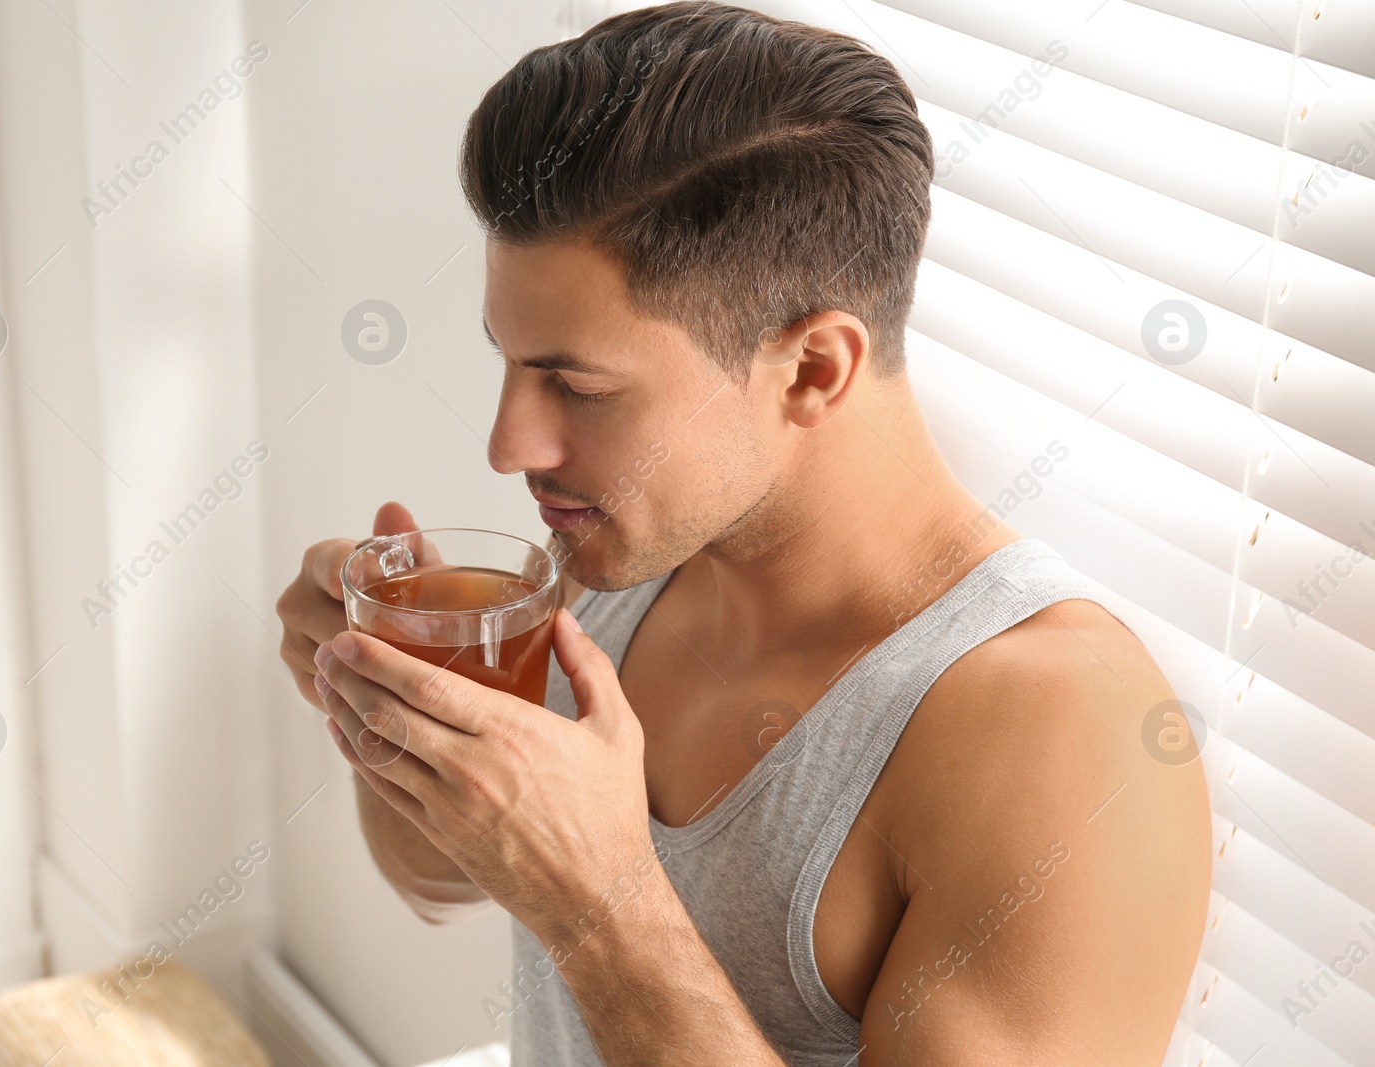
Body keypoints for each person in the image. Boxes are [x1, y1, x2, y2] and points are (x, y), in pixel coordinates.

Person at [275, 3, 1211, 1063]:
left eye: (574, 384)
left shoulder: (1057, 739)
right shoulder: (624, 550)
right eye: (509, 359)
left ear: (812, 369)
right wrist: (392, 705)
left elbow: (574, 901)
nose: (508, 443)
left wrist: (604, 904)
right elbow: (440, 877)